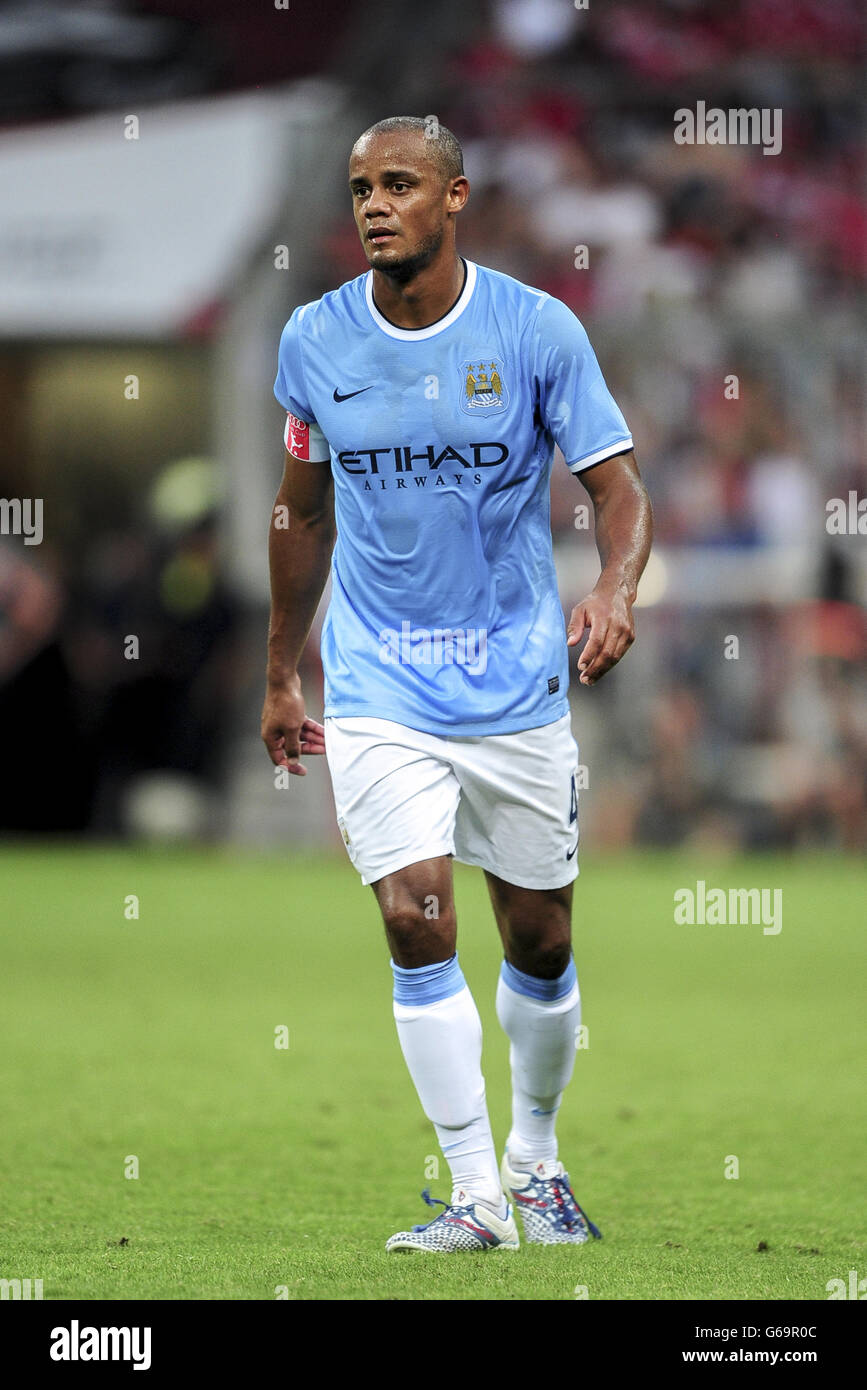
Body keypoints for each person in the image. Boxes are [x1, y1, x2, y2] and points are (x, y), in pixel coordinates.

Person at [262, 116, 652, 1252]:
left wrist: (615, 588)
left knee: (539, 941)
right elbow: (303, 508)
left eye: (398, 184)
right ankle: (476, 1193)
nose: (374, 204)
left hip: (518, 686)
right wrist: (286, 669)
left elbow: (617, 490)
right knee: (412, 912)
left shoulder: (537, 331)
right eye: (358, 188)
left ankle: (536, 1158)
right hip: (380, 685)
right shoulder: (314, 341)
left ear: (456, 197)